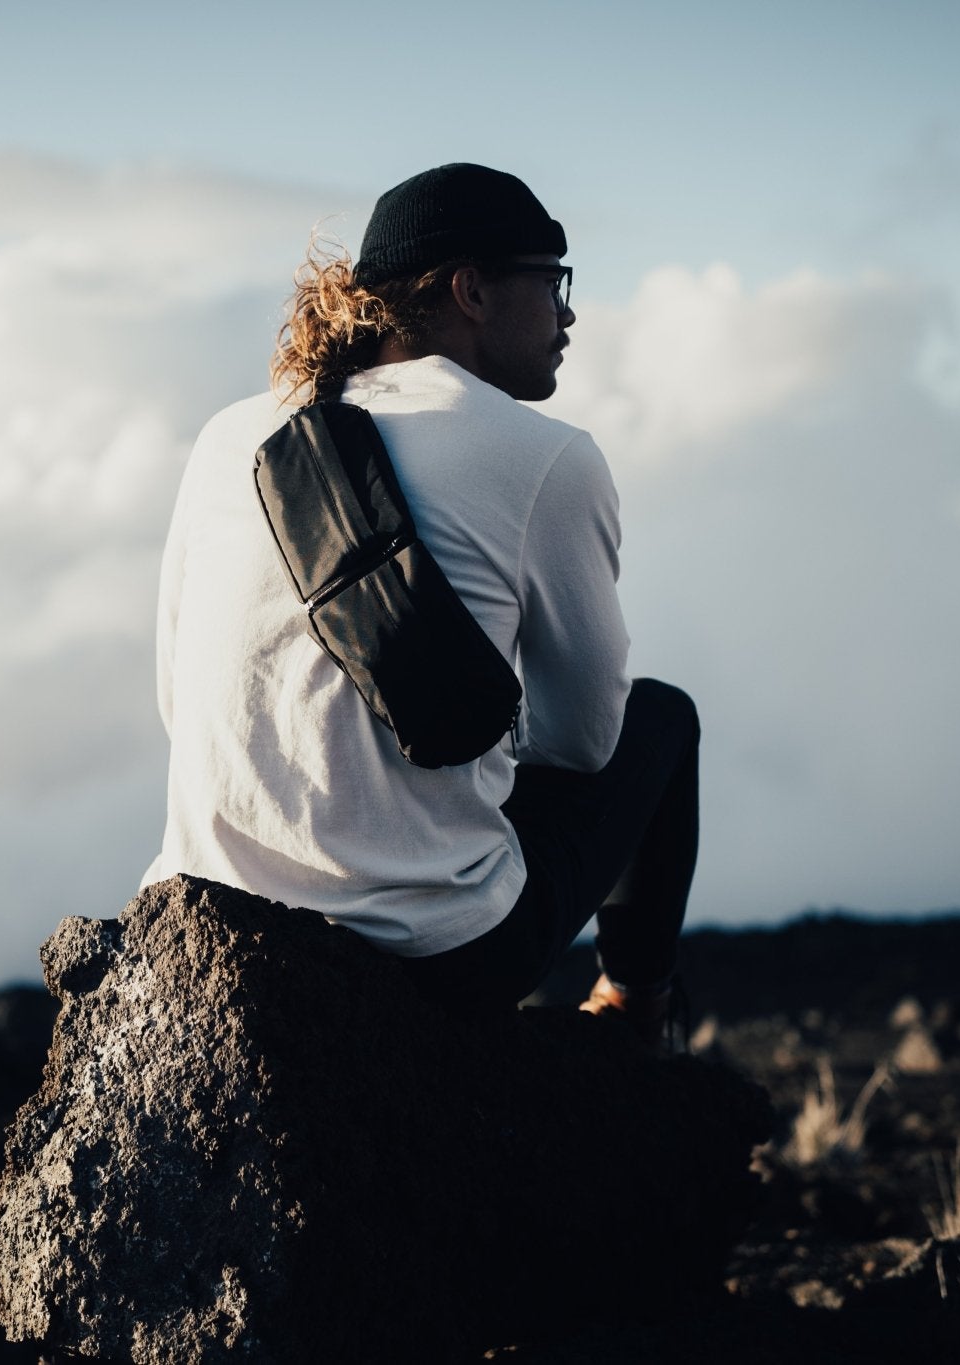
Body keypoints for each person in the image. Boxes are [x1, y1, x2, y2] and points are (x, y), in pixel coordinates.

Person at [141, 163, 699, 1043]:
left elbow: (180, 699)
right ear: (471, 289)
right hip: (432, 956)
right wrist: (462, 744)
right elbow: (589, 739)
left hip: (208, 923)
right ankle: (637, 1010)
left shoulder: (230, 433)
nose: (569, 314)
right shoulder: (547, 457)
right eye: (553, 282)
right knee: (663, 720)